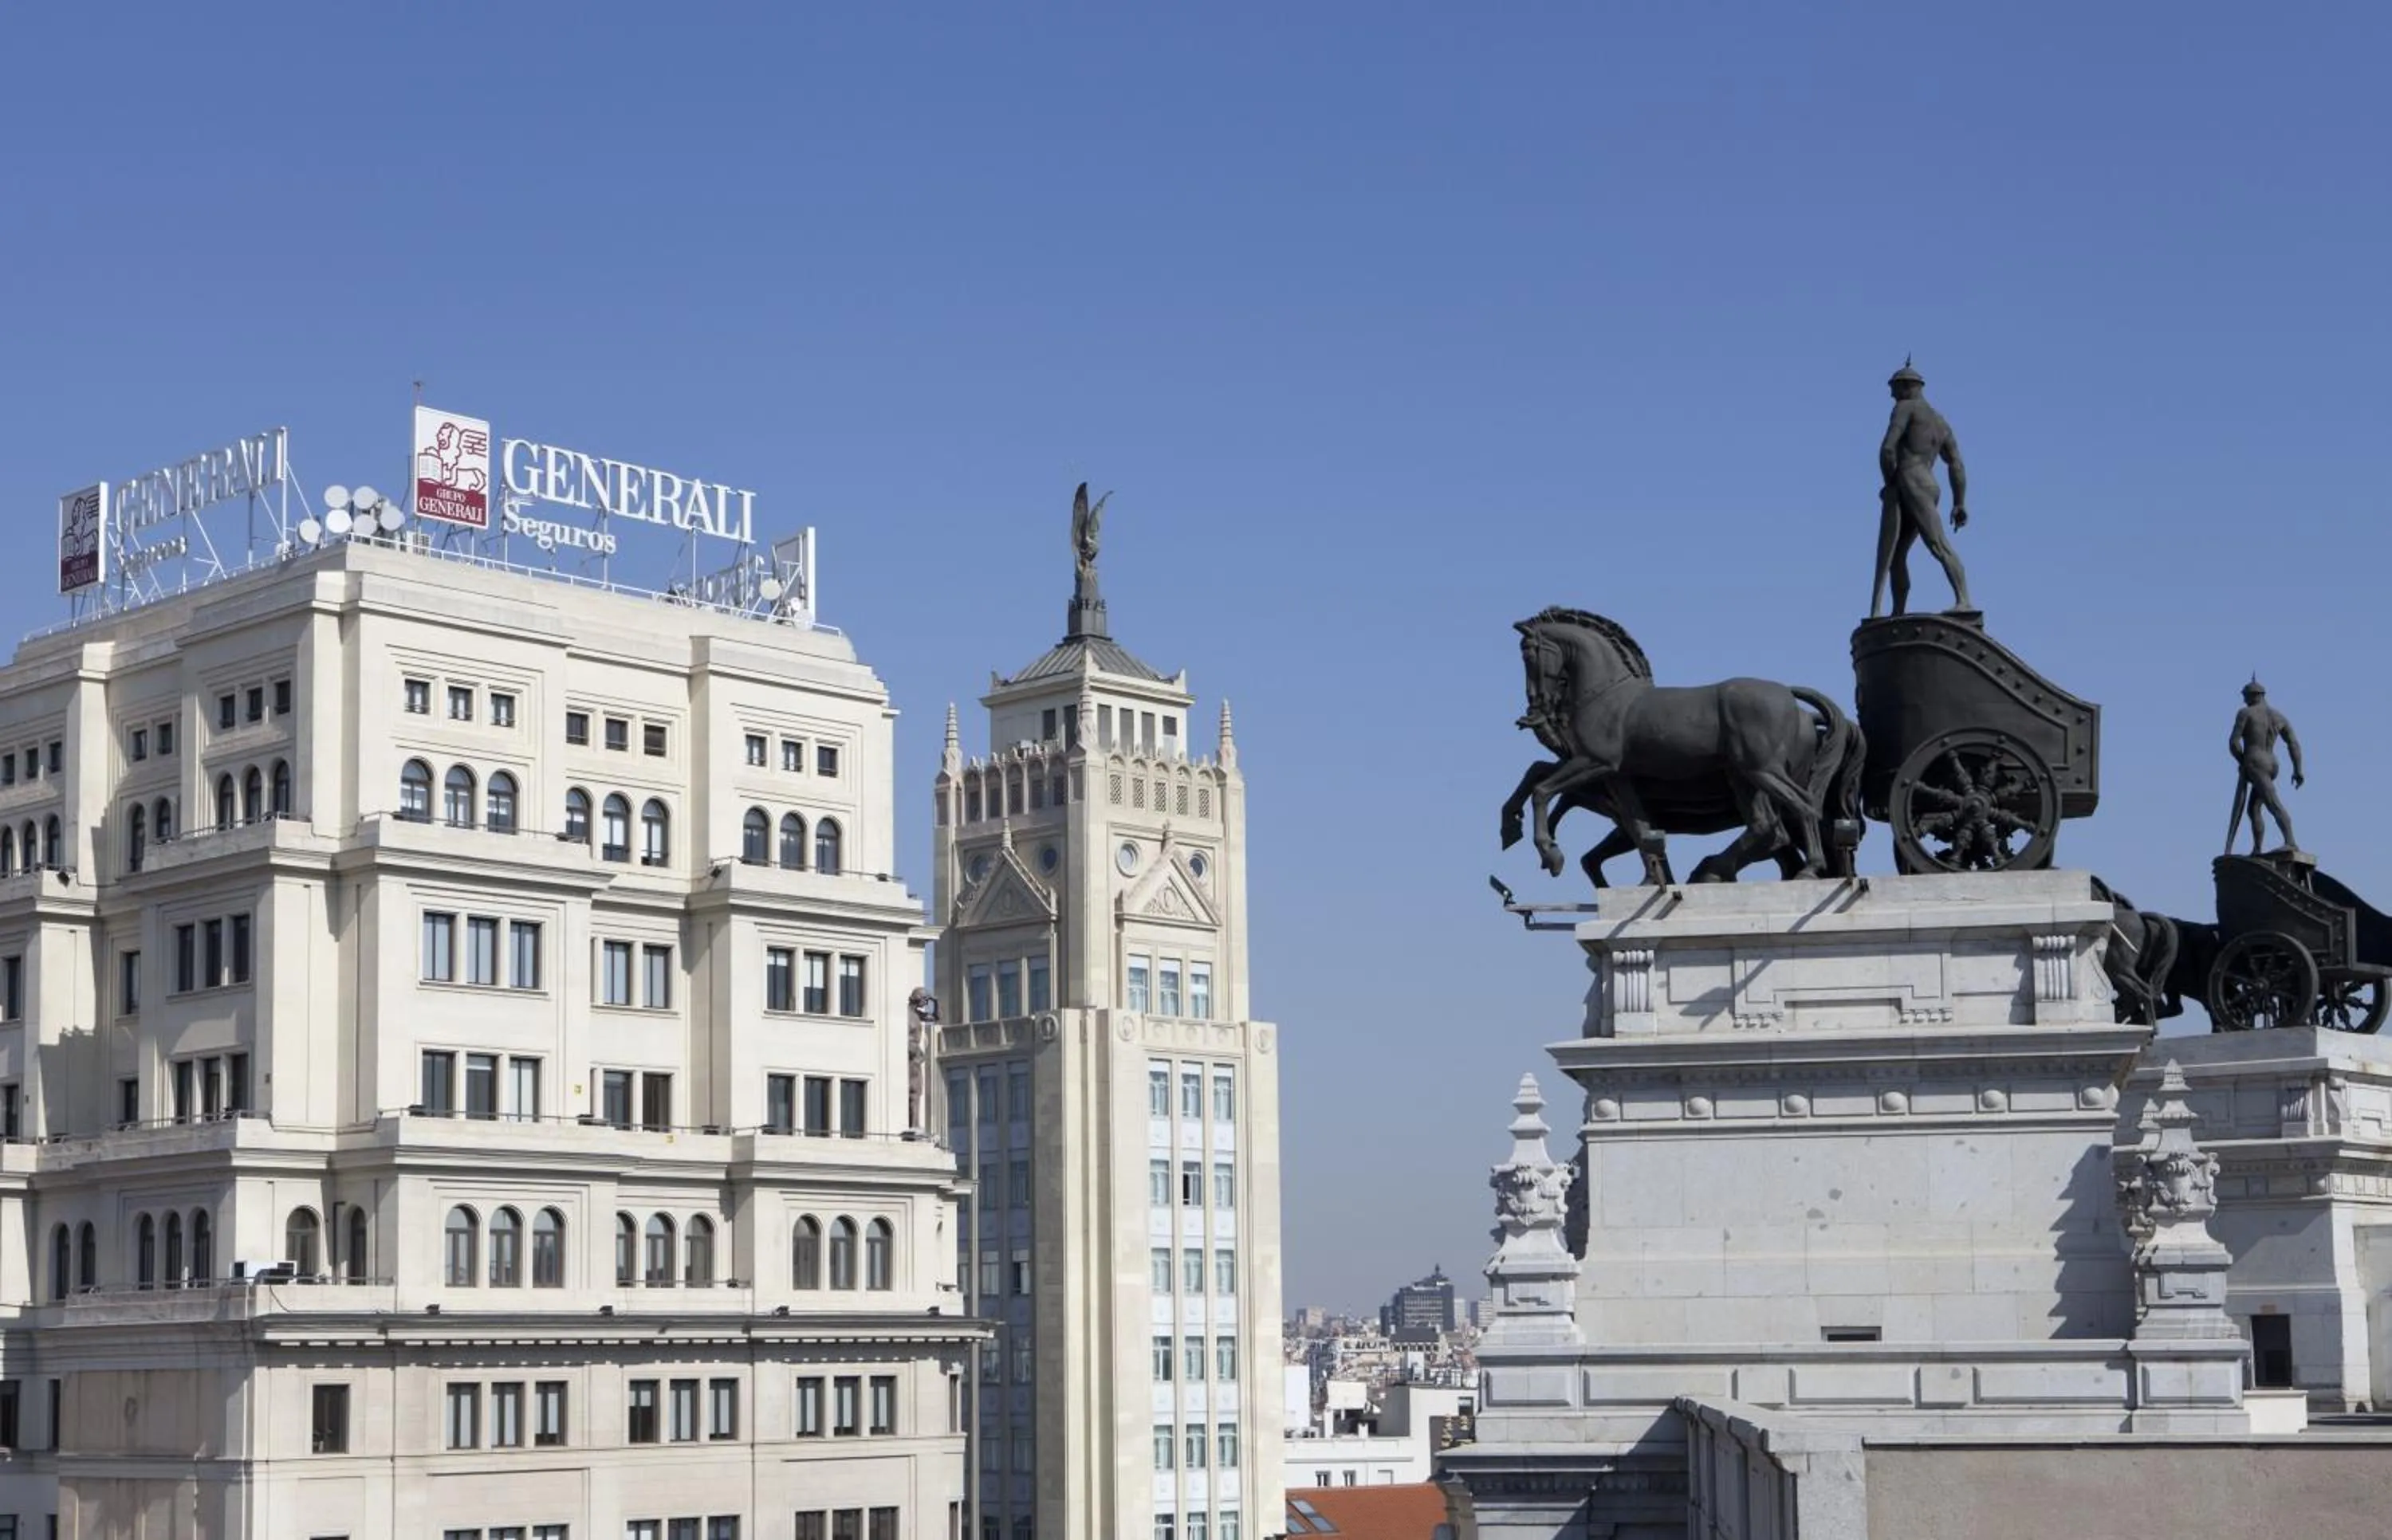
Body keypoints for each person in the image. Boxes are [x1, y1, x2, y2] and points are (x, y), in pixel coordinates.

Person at [1871, 359, 1973, 617]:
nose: (1892, 395)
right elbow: (1956, 463)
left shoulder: (1905, 408)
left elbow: (1887, 448)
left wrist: (1889, 482)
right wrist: (1959, 502)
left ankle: (1964, 600)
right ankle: (1898, 611)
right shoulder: (1940, 422)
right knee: (1897, 555)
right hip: (1929, 484)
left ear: (1907, 386)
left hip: (1911, 480)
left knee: (1937, 543)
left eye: (1894, 388)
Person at [2226, 678, 2303, 855]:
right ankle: (2257, 849)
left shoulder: (2245, 713)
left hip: (2255, 761)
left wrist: (2242, 761)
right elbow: (2293, 743)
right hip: (2272, 763)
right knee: (2253, 809)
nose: (2244, 699)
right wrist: (2297, 769)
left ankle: (2291, 842)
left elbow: (2234, 743)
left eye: (2245, 696)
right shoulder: (2279, 716)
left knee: (2273, 803)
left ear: (2254, 696)